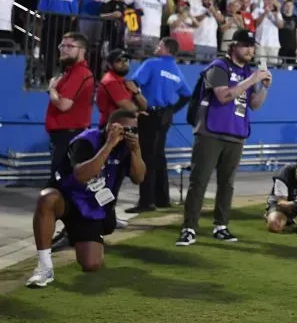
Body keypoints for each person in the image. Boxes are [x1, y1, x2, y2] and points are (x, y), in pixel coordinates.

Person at [25, 109, 146, 288]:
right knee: (46, 198)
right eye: (124, 129)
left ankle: (73, 233)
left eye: (132, 130)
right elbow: (82, 175)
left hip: (92, 207)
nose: (127, 134)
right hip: (67, 198)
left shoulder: (128, 148)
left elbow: (139, 178)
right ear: (110, 127)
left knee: (91, 264)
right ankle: (44, 267)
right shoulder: (86, 141)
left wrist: (136, 151)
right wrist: (109, 145)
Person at [176, 29, 272, 246]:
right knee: (198, 181)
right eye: (245, 45)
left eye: (252, 46)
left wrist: (264, 88)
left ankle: (221, 226)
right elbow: (223, 96)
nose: (250, 50)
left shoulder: (248, 71)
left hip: (236, 134)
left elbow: (254, 105)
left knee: (227, 184)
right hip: (211, 132)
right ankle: (189, 228)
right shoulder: (219, 66)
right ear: (233, 46)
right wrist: (252, 79)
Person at [126, 37, 191, 213]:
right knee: (159, 156)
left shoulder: (151, 64)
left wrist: (135, 105)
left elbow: (134, 84)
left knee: (146, 157)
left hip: (149, 114)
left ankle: (147, 201)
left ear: (166, 49)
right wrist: (172, 110)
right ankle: (162, 198)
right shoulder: (176, 70)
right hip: (165, 117)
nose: (157, 47)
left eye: (159, 45)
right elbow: (186, 94)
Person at [44, 32, 94, 186]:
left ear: (82, 50)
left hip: (70, 137)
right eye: (62, 45)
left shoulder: (80, 73)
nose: (64, 49)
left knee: (59, 185)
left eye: (70, 46)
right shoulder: (70, 71)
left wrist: (52, 89)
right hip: (63, 136)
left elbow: (64, 105)